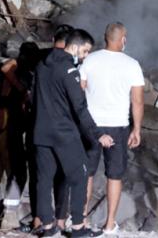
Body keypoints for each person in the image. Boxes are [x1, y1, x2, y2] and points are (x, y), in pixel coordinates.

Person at [33, 29, 113, 238]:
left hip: (41, 131)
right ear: (75, 47)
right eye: (85, 51)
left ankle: (48, 227)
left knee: (44, 180)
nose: (85, 56)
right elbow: (80, 107)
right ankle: (78, 227)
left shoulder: (41, 65)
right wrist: (97, 134)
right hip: (64, 133)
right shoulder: (68, 70)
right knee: (79, 176)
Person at [80, 23, 144, 234]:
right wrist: (137, 129)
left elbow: (79, 92)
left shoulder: (90, 59)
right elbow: (137, 100)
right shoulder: (132, 64)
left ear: (105, 37)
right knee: (114, 176)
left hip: (91, 125)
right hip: (118, 126)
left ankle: (82, 220)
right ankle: (109, 225)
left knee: (87, 173)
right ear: (123, 39)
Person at [27, 24, 75, 232]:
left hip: (39, 124)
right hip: (65, 126)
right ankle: (60, 220)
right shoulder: (70, 63)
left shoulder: (40, 61)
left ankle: (41, 221)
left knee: (42, 176)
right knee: (63, 174)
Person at [0, 41, 41, 229]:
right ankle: (9, 217)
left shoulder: (19, 72)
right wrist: (22, 89)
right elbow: (6, 67)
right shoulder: (16, 70)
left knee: (8, 172)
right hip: (12, 129)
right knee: (19, 173)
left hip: (5, 128)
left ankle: (7, 216)